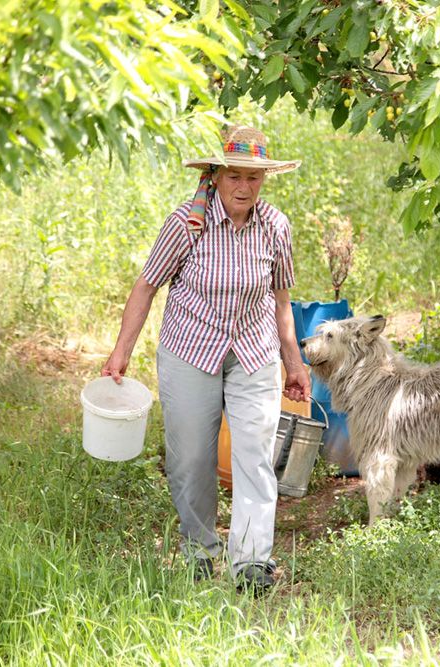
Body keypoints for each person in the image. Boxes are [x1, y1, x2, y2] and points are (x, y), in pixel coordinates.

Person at [101, 125, 310, 594]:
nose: (244, 187)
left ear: (264, 181)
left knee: (256, 454)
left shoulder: (275, 227)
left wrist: (293, 363)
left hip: (253, 351)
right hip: (191, 349)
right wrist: (121, 354)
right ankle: (199, 548)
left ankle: (252, 561)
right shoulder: (186, 225)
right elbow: (147, 286)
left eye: (254, 178)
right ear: (215, 176)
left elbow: (281, 302)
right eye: (235, 175)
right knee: (191, 457)